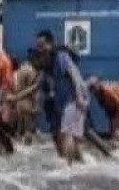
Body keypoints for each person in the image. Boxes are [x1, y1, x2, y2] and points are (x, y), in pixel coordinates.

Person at [35, 30, 89, 164]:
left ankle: (68, 168)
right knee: (69, 136)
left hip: (74, 99)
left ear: (51, 44)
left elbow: (73, 75)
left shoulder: (61, 56)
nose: (40, 49)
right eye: (38, 46)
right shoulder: (47, 65)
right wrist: (16, 97)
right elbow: (37, 86)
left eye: (42, 45)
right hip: (65, 103)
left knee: (68, 134)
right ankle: (81, 165)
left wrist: (79, 98)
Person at [13, 50, 38, 144]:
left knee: (19, 129)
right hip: (27, 101)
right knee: (28, 128)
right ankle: (28, 145)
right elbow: (32, 89)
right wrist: (35, 104)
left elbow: (15, 85)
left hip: (18, 101)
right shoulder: (32, 70)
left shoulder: (20, 69)